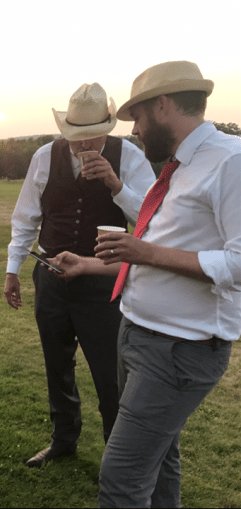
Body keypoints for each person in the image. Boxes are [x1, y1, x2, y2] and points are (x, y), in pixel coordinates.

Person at [49, 61, 241, 507]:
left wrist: (145, 252)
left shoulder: (230, 162)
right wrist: (87, 265)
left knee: (120, 477)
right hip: (140, 336)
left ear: (162, 106)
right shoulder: (181, 167)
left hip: (179, 349)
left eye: (137, 117)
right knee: (159, 461)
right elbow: (159, 252)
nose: (133, 130)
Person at [3, 83, 155, 468]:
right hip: (51, 276)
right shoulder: (45, 156)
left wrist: (116, 186)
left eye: (93, 135)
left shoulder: (129, 157)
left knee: (109, 372)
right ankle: (63, 440)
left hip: (103, 279)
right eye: (76, 136)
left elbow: (150, 221)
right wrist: (12, 270)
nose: (84, 144)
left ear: (108, 128)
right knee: (57, 365)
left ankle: (115, 455)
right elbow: (25, 218)